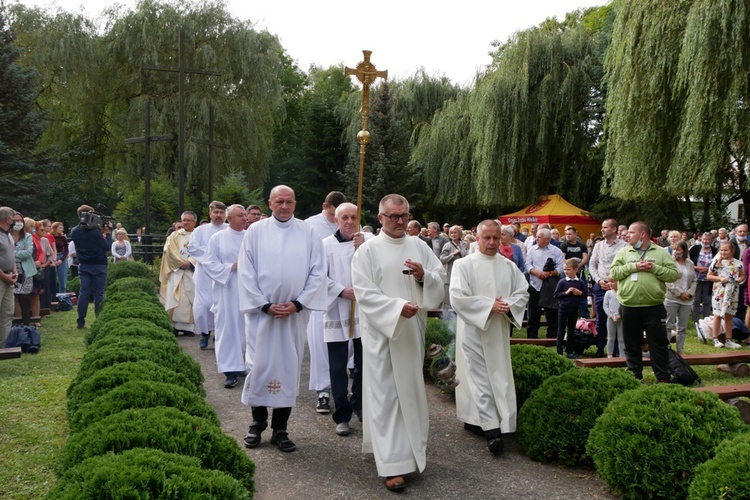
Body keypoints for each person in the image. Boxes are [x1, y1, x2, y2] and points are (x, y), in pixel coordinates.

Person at [351, 194, 445, 492]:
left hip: (411, 334)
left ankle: (410, 454)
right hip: (383, 334)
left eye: (404, 215)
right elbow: (364, 292)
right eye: (393, 216)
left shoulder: (419, 245)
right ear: (380, 218)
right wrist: (395, 309)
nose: (400, 221)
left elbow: (438, 278)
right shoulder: (366, 251)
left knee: (411, 394)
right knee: (387, 396)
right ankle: (391, 465)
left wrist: (422, 277)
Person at [239, 185, 327, 453]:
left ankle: (280, 428)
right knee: (258, 366)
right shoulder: (255, 231)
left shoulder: (308, 232)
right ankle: (257, 424)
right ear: (270, 203)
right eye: (279, 201)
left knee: (288, 369)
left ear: (295, 204)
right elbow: (246, 271)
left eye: (289, 202)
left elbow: (318, 272)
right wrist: (264, 305)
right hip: (261, 316)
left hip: (293, 316)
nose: (284, 206)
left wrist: (298, 304)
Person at [450, 220, 529, 454]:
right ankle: (492, 431)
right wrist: (487, 306)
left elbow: (522, 292)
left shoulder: (508, 266)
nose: (492, 242)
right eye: (487, 238)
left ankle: (496, 421)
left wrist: (507, 306)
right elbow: (457, 297)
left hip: (498, 329)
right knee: (478, 378)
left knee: (500, 375)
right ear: (477, 237)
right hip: (474, 328)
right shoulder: (464, 265)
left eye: (497, 237)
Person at [322, 202, 370, 437]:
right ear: (336, 220)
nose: (350, 222)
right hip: (337, 310)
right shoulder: (325, 246)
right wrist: (342, 290)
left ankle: (359, 403)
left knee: (364, 366)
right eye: (345, 218)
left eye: (354, 217)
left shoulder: (368, 242)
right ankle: (342, 413)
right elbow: (318, 277)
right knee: (338, 368)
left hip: (364, 313)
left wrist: (364, 250)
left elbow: (379, 270)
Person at [610, 222, 678, 381]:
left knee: (658, 344)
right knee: (631, 343)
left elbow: (673, 275)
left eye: (631, 232)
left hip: (653, 307)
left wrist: (654, 268)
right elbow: (613, 272)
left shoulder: (661, 252)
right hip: (629, 306)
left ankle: (663, 378)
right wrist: (634, 266)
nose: (627, 235)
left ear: (643, 234)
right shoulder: (624, 252)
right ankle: (634, 377)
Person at [305, 191, 347, 414]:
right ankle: (322, 391)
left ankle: (346, 391)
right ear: (325, 206)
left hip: (347, 296)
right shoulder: (309, 225)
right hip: (320, 295)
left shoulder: (351, 224)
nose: (336, 220)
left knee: (346, 346)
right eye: (332, 215)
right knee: (320, 345)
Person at [203, 204, 248, 388]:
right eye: (240, 215)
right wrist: (231, 267)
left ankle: (242, 363)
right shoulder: (218, 238)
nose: (245, 218)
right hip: (227, 290)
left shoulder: (251, 237)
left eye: (245, 215)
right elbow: (208, 263)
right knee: (228, 330)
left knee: (245, 330)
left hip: (247, 290)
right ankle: (230, 371)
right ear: (230, 218)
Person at [188, 201, 227, 349]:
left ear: (225, 214)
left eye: (221, 213)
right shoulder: (200, 231)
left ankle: (218, 335)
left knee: (220, 305)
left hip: (223, 274)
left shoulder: (229, 230)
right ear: (210, 213)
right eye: (215, 212)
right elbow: (193, 248)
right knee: (203, 306)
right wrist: (212, 258)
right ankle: (205, 333)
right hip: (204, 274)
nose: (218, 215)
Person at [589, 218, 628, 357]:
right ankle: (601, 347)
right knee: (601, 317)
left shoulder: (624, 246)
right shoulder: (598, 246)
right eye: (602, 227)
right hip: (600, 285)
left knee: (618, 317)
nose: (602, 229)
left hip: (617, 287)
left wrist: (615, 282)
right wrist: (599, 280)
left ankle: (617, 350)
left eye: (605, 227)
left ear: (614, 229)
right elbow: (592, 265)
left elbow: (625, 266)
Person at [71, 205, 111, 329]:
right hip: (99, 265)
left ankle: (80, 321)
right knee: (99, 294)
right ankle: (99, 320)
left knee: (84, 293)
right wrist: (108, 233)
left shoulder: (74, 231)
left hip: (83, 264)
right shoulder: (95, 232)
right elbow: (107, 247)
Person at [159, 211, 198, 335]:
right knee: (175, 297)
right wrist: (181, 263)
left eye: (188, 220)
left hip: (192, 273)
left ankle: (189, 328)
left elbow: (204, 252)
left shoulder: (199, 235)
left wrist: (191, 262)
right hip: (177, 271)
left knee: (190, 298)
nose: (185, 222)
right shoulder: (174, 236)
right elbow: (169, 251)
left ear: (194, 222)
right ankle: (175, 326)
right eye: (184, 220)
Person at [525, 228, 564, 339]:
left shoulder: (556, 251)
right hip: (535, 285)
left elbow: (561, 267)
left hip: (550, 287)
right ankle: (532, 338)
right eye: (536, 236)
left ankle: (552, 337)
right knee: (533, 314)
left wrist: (550, 273)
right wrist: (536, 272)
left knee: (551, 313)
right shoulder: (532, 250)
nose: (536, 238)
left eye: (539, 237)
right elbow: (527, 265)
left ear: (547, 239)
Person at [707, 242, 746, 349]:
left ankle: (729, 339)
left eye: (726, 250)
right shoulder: (716, 262)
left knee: (729, 315)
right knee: (718, 314)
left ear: (732, 251)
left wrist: (739, 279)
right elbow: (709, 276)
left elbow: (743, 275)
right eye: (721, 250)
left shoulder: (738, 263)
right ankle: (715, 338)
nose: (723, 252)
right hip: (720, 292)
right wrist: (720, 278)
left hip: (733, 292)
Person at [664, 241, 696, 354]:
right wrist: (679, 293)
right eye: (674, 249)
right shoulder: (670, 262)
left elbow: (694, 280)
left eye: (678, 249)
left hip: (687, 300)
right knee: (668, 325)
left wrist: (689, 293)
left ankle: (680, 350)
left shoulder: (690, 263)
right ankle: (666, 350)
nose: (676, 252)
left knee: (682, 327)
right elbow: (667, 281)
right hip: (672, 298)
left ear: (684, 250)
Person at [553, 258, 587, 358]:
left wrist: (579, 293)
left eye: (568, 269)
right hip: (563, 309)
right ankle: (559, 351)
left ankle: (570, 351)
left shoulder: (580, 283)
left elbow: (585, 295)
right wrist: (566, 293)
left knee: (571, 330)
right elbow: (556, 295)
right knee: (561, 330)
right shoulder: (562, 282)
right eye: (565, 270)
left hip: (574, 309)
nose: (566, 272)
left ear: (575, 270)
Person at [12, 213, 36, 326]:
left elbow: (28, 253)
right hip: (10, 272)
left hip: (26, 272)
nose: (19, 223)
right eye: (16, 220)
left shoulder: (27, 236)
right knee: (12, 299)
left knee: (24, 299)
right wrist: (19, 253)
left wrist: (12, 253)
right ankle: (15, 324)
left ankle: (26, 326)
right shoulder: (5, 236)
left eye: (20, 220)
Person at [560, 226, 590, 318]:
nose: (567, 236)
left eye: (570, 234)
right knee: (566, 291)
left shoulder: (582, 245)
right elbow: (563, 257)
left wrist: (578, 267)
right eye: (566, 234)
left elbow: (585, 257)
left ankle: (584, 313)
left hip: (579, 272)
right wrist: (570, 268)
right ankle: (566, 312)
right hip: (567, 272)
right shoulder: (564, 245)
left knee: (582, 291)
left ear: (575, 234)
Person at [439, 225, 469, 317]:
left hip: (462, 274)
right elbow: (442, 259)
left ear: (460, 234)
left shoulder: (464, 244)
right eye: (451, 233)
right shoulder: (447, 245)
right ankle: (445, 320)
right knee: (448, 299)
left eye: (455, 232)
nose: (453, 234)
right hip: (450, 274)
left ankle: (460, 316)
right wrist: (453, 254)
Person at [0, 207, 19, 345]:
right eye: (13, 218)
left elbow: (11, 255)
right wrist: (2, 275)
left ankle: (5, 343)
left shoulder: (8, 234)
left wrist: (14, 271)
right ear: (7, 219)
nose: (14, 221)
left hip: (9, 277)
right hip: (1, 278)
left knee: (8, 312)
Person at [689, 232, 717, 322]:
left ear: (711, 240)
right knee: (696, 300)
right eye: (703, 239)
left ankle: (706, 319)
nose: (705, 241)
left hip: (708, 279)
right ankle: (695, 320)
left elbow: (718, 264)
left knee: (707, 300)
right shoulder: (695, 249)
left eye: (707, 239)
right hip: (696, 278)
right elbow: (688, 263)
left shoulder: (715, 251)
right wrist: (697, 268)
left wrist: (708, 269)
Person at [602, 280, 623, 358]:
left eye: (613, 282)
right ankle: (609, 354)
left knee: (621, 338)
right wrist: (610, 315)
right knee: (611, 337)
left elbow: (623, 304)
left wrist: (620, 315)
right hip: (610, 319)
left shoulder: (622, 293)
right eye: (609, 282)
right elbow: (605, 306)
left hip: (620, 319)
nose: (610, 284)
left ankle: (622, 355)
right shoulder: (608, 293)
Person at [51, 221, 68, 294]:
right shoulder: (50, 237)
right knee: (53, 278)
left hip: (61, 256)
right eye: (60, 228)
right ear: (55, 228)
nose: (61, 229)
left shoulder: (63, 237)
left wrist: (62, 259)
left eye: (62, 228)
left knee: (62, 277)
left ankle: (63, 295)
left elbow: (66, 250)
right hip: (52, 257)